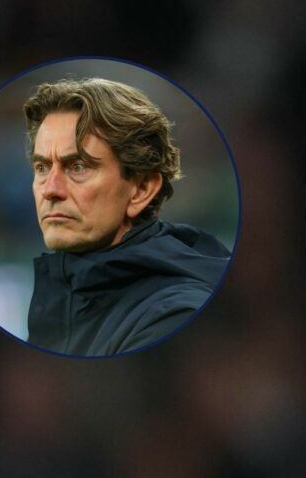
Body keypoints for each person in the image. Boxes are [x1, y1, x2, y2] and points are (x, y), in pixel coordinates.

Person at [23, 78, 231, 357]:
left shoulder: (173, 316)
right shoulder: (69, 296)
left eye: (79, 166)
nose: (50, 190)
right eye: (42, 167)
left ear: (141, 190)